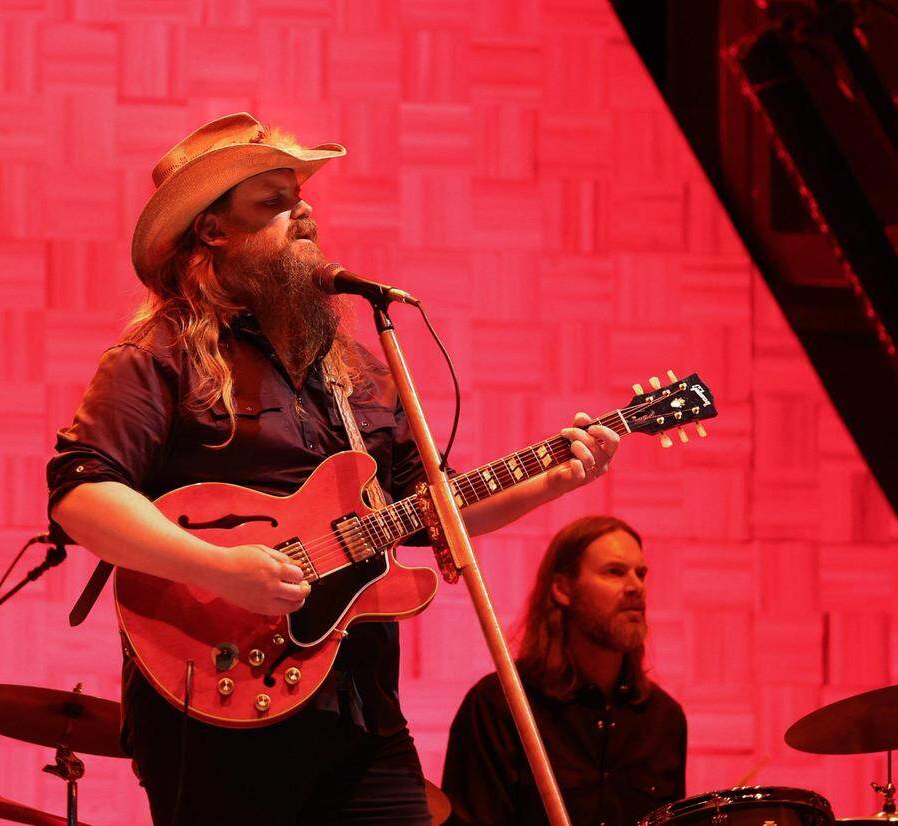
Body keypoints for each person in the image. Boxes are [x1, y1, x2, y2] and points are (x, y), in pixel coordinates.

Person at [46, 112, 622, 825]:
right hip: (215, 706)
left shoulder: (359, 374)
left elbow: (430, 509)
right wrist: (221, 570)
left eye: (301, 193)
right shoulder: (158, 355)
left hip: (360, 711)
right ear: (213, 231)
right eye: (273, 200)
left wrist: (553, 480)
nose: (304, 208)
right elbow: (81, 496)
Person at [442, 516, 686, 826]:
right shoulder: (498, 706)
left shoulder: (665, 720)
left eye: (641, 574)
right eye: (614, 572)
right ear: (562, 589)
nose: (636, 587)